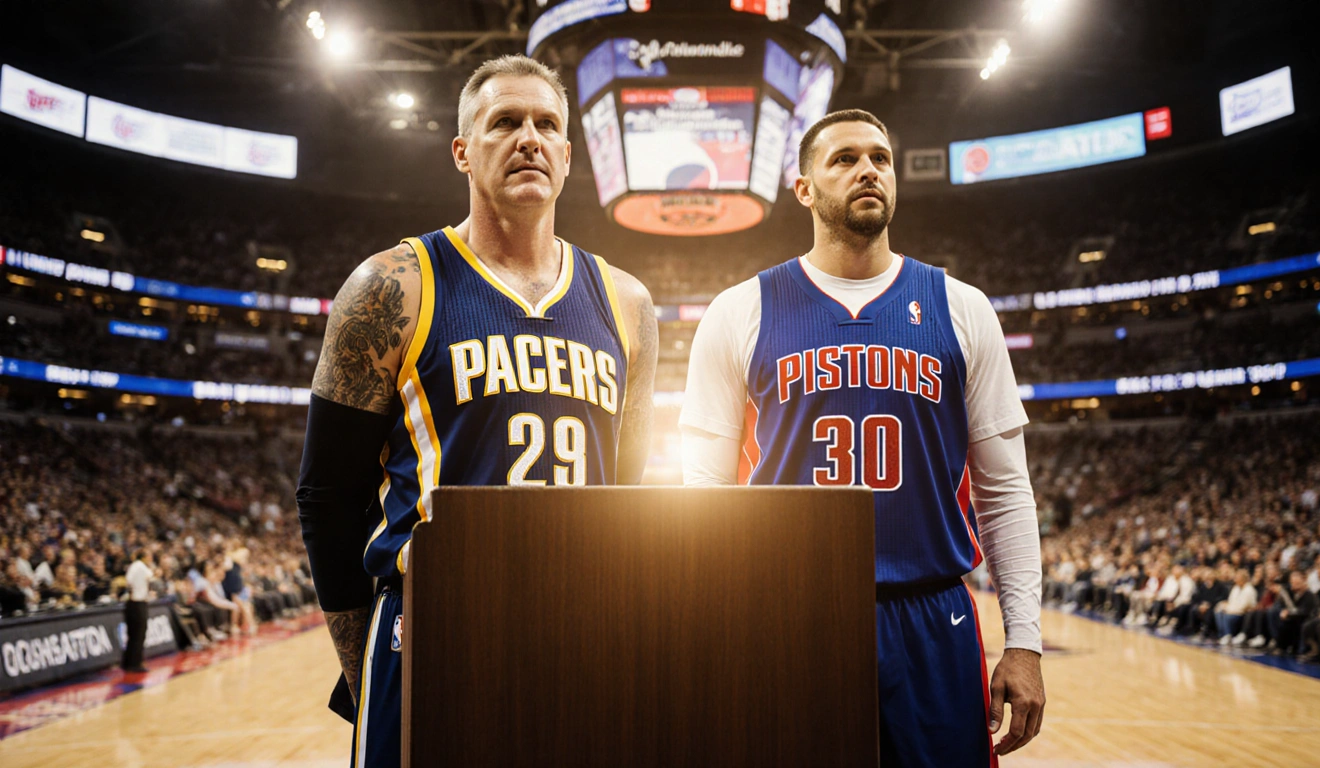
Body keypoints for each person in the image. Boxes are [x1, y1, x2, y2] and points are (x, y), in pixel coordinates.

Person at [296, 54, 657, 768]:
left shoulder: (628, 303)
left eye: (546, 124)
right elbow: (326, 497)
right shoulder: (392, 286)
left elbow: (627, 496)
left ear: (566, 154)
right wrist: (362, 668)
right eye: (505, 122)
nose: (529, 137)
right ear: (463, 151)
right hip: (433, 629)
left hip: (580, 632)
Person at [680, 109, 1044, 766]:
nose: (867, 169)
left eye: (880, 157)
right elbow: (703, 491)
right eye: (844, 159)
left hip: (932, 613)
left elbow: (1005, 490)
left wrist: (1025, 641)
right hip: (786, 614)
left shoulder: (962, 307)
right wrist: (715, 629)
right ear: (804, 189)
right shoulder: (741, 310)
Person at [122, 550, 152, 673]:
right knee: (139, 634)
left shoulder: (133, 566)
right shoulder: (140, 566)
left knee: (133, 634)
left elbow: (128, 581)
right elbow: (151, 575)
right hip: (138, 603)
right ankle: (135, 663)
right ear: (144, 557)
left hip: (132, 603)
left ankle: (128, 662)